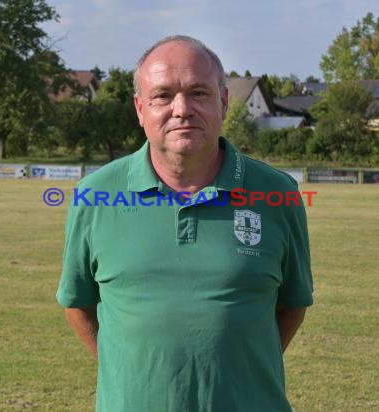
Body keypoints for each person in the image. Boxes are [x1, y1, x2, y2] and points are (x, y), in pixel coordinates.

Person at [56, 35, 314, 412]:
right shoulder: (94, 195)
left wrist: (235, 366)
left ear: (223, 102)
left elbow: (292, 305)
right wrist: (130, 366)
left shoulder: (278, 193)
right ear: (140, 108)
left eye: (199, 93)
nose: (182, 109)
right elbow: (78, 304)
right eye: (163, 95)